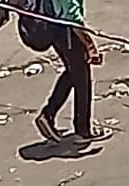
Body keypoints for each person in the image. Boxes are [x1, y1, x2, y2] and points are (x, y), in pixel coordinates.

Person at [34, 0, 111, 146]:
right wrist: (90, 45)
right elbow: (72, 17)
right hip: (68, 32)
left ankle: (48, 115)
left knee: (73, 72)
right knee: (82, 79)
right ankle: (83, 130)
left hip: (55, 28)